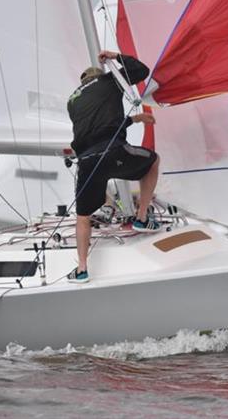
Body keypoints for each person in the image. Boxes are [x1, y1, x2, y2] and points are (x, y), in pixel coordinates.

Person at [66, 50, 161, 283]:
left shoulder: (72, 101)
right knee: (153, 160)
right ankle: (141, 217)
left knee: (83, 216)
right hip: (113, 152)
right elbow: (142, 70)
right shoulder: (109, 81)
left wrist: (134, 120)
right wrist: (116, 56)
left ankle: (81, 269)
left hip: (87, 161)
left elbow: (101, 123)